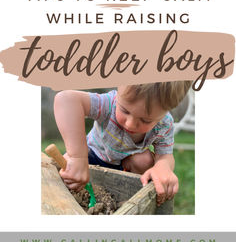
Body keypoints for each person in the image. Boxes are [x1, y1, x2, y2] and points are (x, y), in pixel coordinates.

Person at [54, 82, 192, 206]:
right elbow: (66, 99)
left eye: (145, 120)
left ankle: (127, 200)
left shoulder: (164, 124)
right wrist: (77, 157)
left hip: (123, 166)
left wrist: (164, 167)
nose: (130, 124)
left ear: (164, 113)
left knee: (145, 160)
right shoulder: (109, 103)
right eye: (125, 111)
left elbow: (165, 156)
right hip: (90, 156)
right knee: (67, 168)